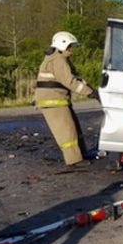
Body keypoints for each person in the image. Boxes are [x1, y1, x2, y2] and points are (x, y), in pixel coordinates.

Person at [34, 32, 98, 166]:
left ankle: (81, 154)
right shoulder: (58, 60)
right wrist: (90, 93)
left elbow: (76, 77)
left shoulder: (60, 58)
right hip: (52, 101)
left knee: (74, 127)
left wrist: (91, 89)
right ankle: (74, 160)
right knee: (66, 130)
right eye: (70, 46)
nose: (72, 49)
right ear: (63, 45)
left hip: (57, 99)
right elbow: (70, 82)